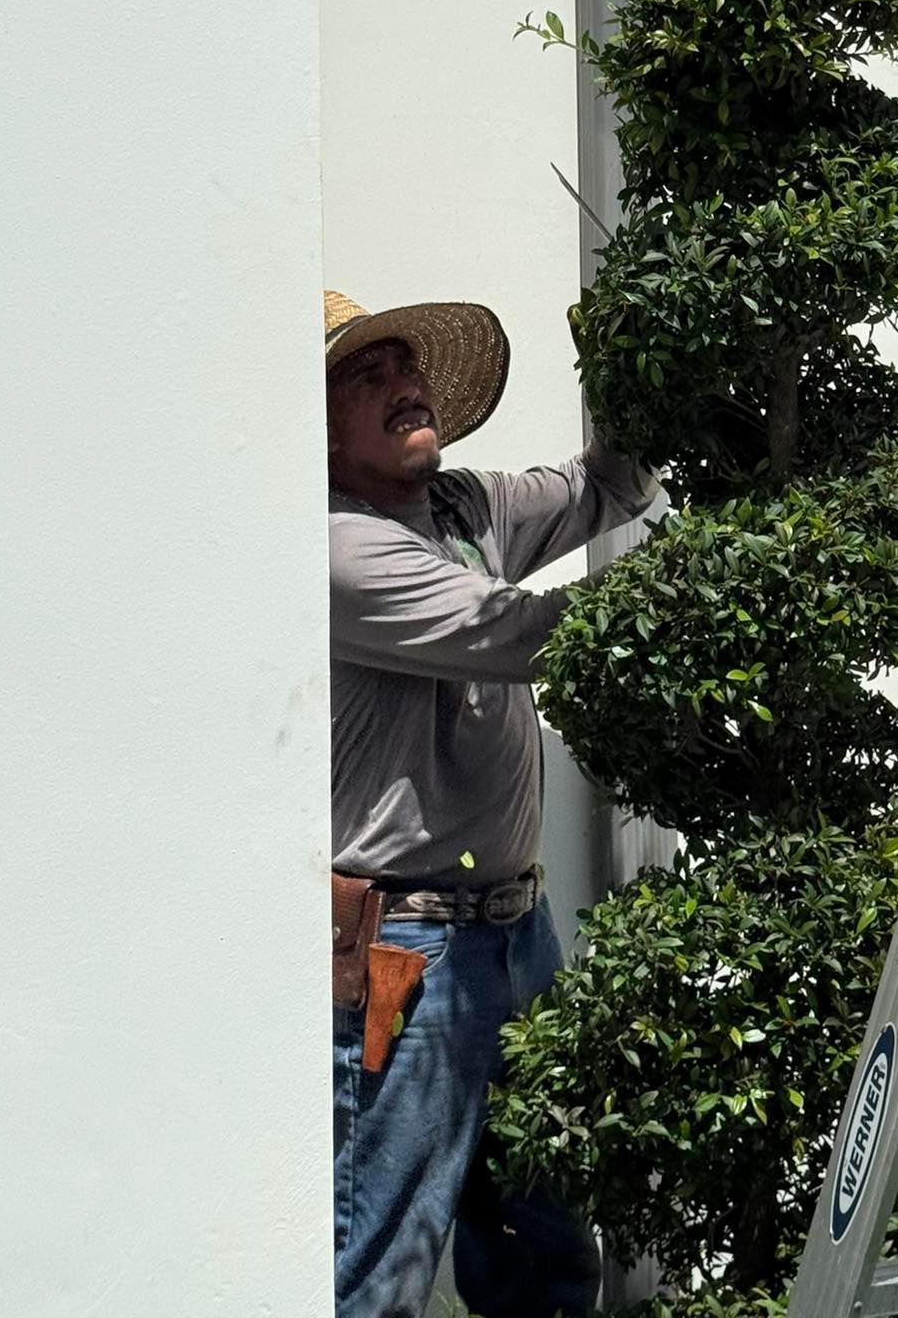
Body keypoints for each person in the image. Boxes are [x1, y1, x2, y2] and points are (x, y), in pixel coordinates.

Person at [325, 289, 659, 1318]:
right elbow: (518, 630)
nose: (404, 383)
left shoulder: (463, 506)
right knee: (383, 1255)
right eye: (364, 375)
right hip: (409, 955)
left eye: (405, 365)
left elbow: (612, 485)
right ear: (317, 427)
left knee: (549, 1241)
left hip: (521, 930)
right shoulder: (339, 547)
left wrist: (636, 373)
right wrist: (711, 595)